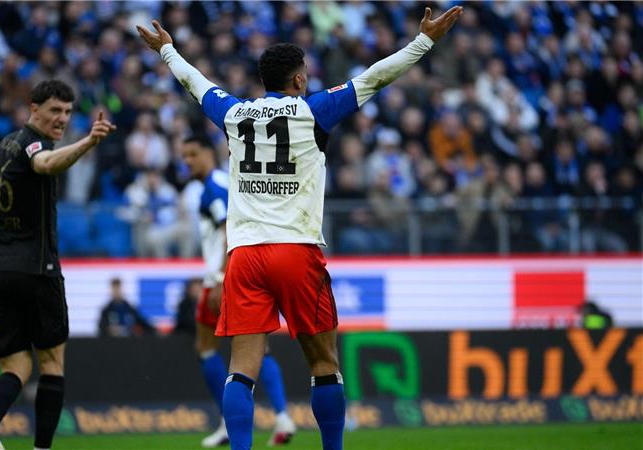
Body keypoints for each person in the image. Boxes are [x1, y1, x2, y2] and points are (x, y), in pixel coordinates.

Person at [138, 7, 462, 450]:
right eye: (305, 72)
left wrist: (168, 51)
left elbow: (197, 85)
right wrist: (424, 41)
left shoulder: (235, 114)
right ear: (298, 79)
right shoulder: (315, 111)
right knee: (324, 362)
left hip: (246, 255)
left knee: (241, 367)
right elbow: (375, 77)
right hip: (296, 250)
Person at [0, 79, 114, 450]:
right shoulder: (35, 145)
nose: (62, 118)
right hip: (37, 271)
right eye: (55, 110)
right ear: (33, 108)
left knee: (16, 368)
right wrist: (88, 141)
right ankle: (41, 449)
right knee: (52, 363)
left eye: (68, 112)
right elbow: (46, 163)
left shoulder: (3, 146)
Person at [181, 136, 296, 447]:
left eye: (193, 153)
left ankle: (225, 421)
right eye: (184, 156)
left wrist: (220, 276)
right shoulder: (226, 182)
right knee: (258, 348)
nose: (187, 161)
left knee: (206, 347)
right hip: (250, 272)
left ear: (208, 153)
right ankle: (283, 415)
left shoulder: (212, 187)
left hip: (223, 277)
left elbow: (226, 227)